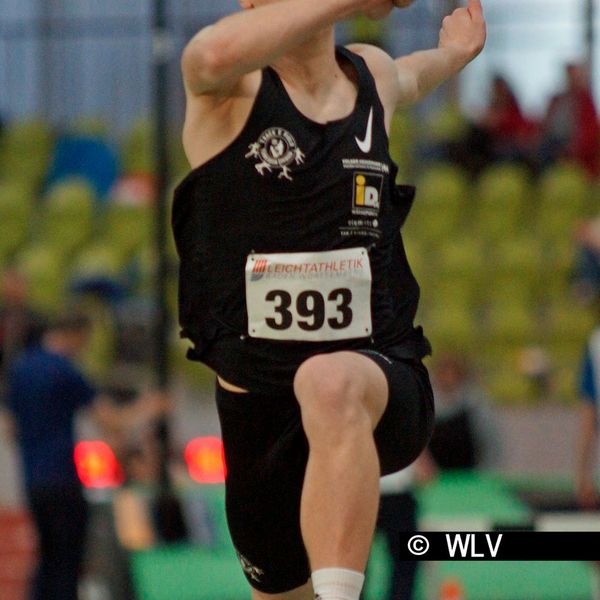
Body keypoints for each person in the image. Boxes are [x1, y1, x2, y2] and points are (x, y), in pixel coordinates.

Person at [172, 1, 486, 599]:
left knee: (329, 381)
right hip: (261, 409)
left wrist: (454, 54)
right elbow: (209, 52)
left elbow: (412, 74)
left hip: (379, 379)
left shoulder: (369, 73)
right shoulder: (229, 89)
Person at [4, 312, 167, 600]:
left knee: (47, 558)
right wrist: (149, 407)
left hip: (33, 478)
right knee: (68, 562)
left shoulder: (22, 367)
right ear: (76, 334)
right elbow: (110, 419)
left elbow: (10, 427)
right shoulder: (65, 371)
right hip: (63, 477)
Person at [425, 351, 501, 471]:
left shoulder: (474, 403)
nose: (448, 378)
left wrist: (486, 470)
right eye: (444, 374)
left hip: (469, 474)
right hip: (435, 476)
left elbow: (489, 440)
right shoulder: (427, 403)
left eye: (452, 374)